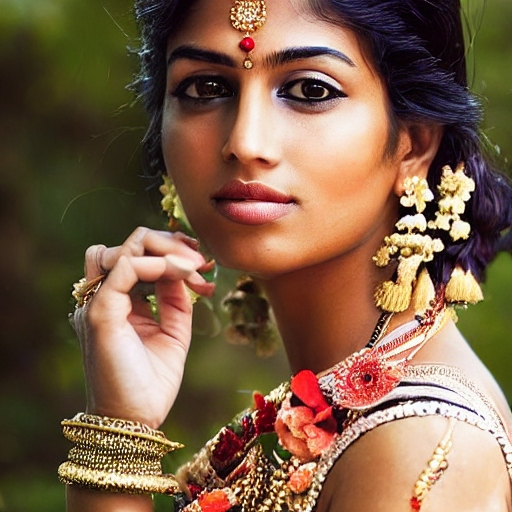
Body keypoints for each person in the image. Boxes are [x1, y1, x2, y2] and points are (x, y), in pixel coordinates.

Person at [58, 0, 512, 510]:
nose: (245, 142)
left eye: (310, 90)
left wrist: (116, 447)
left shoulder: (420, 446)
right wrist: (122, 422)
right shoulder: (335, 405)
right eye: (206, 88)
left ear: (414, 145)